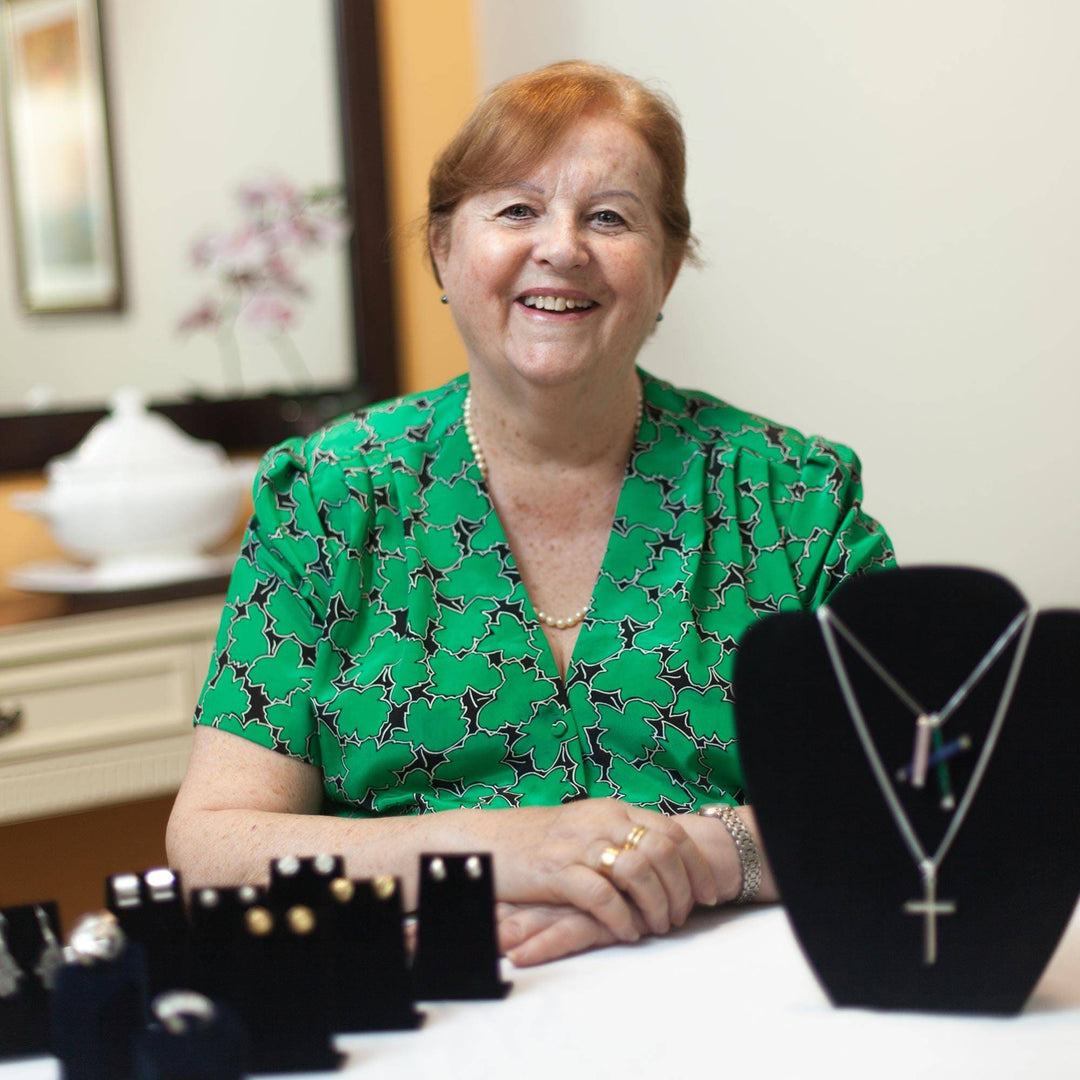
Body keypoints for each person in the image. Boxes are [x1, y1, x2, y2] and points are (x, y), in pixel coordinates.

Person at [167, 60, 894, 966]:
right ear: (443, 250)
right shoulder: (329, 494)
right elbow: (216, 844)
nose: (562, 247)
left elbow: (912, 794)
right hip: (430, 1005)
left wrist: (698, 859)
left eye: (611, 216)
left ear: (667, 268)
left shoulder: (794, 494)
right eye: (516, 209)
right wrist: (493, 852)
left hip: (746, 1004)